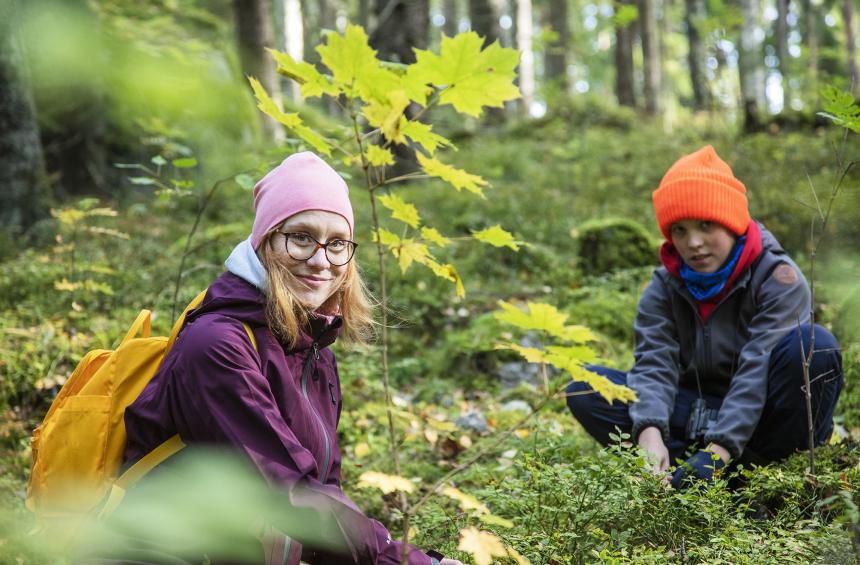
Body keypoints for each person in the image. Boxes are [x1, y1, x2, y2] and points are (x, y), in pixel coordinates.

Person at [122, 152, 462, 564]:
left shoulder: (314, 352)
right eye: (301, 237)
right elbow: (287, 493)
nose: (320, 260)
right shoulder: (217, 345)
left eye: (337, 243)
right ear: (265, 241)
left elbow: (322, 496)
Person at [565, 145, 844, 488]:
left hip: (764, 417)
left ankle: (756, 473)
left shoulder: (778, 279)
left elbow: (756, 371)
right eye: (679, 230)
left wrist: (719, 451)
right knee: (586, 388)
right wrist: (649, 434)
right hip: (696, 412)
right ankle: (679, 472)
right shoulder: (663, 287)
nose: (693, 242)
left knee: (817, 347)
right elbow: (654, 365)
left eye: (705, 225)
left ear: (731, 222)